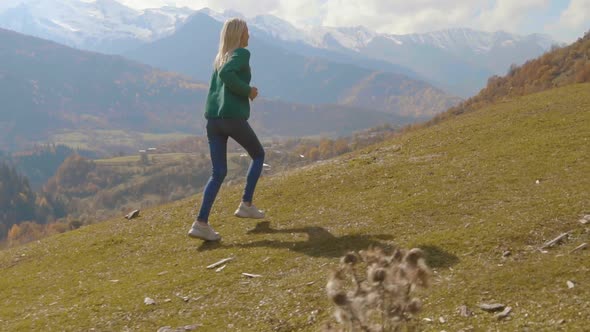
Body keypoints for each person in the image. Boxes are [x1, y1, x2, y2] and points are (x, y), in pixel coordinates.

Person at [188, 18, 265, 241]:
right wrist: (247, 90)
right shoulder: (240, 54)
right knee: (258, 154)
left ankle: (201, 223)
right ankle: (246, 204)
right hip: (232, 118)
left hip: (213, 121)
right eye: (247, 32)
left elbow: (219, 79)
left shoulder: (219, 57)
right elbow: (227, 75)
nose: (249, 36)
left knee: (218, 172)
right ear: (239, 34)